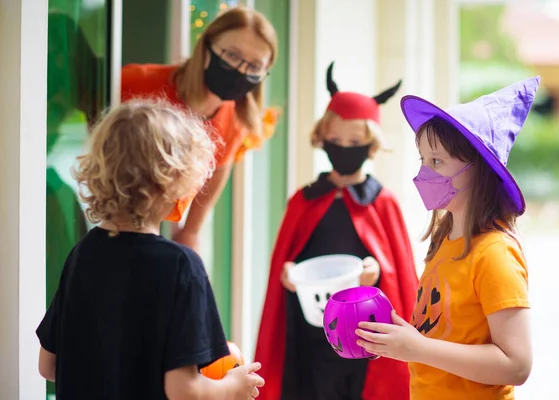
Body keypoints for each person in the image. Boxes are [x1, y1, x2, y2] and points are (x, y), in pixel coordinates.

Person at [36, 98, 265, 400]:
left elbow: (48, 366)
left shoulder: (82, 255)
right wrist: (232, 387)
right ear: (174, 182)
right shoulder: (181, 266)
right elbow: (183, 390)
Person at [355, 77, 540, 399]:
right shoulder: (445, 241)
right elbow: (442, 331)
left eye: (437, 161)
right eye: (423, 160)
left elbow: (517, 364)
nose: (423, 173)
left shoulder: (494, 253)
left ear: (480, 169)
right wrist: (402, 340)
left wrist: (420, 348)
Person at [255, 62, 419, 400]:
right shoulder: (304, 200)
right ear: (322, 139)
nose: (344, 147)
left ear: (371, 144)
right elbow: (289, 259)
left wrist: (376, 270)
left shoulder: (383, 202)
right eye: (335, 139)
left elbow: (398, 275)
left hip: (366, 334)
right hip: (310, 335)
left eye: (355, 141)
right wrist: (288, 273)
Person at [121, 6, 279, 251]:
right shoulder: (137, 83)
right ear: (207, 48)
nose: (241, 70)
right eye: (233, 56)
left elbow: (216, 174)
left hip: (155, 236)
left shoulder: (235, 121)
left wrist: (190, 233)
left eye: (254, 66)